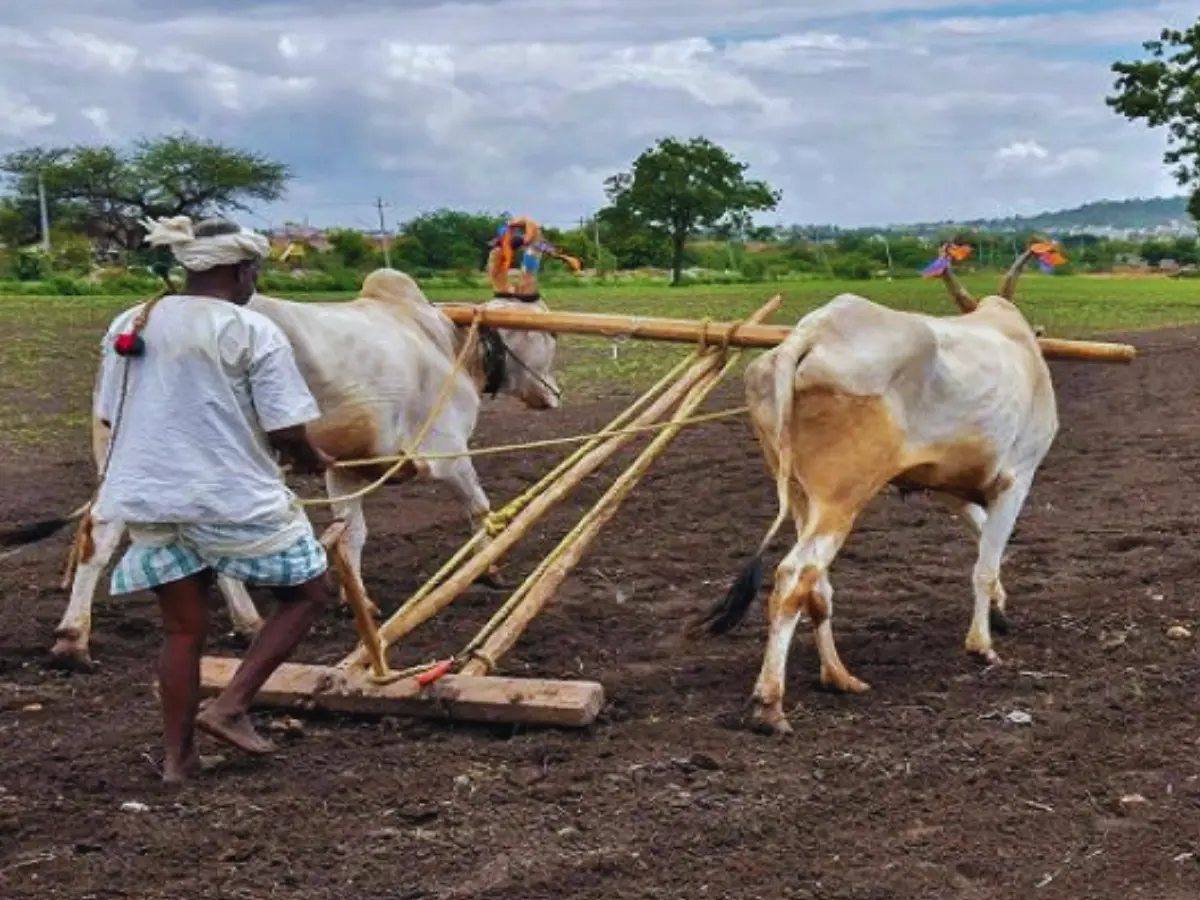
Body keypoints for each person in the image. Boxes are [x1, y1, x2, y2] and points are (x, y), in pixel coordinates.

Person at [92, 214, 333, 783]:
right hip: (229, 497)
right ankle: (230, 706)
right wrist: (310, 459)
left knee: (183, 630)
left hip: (148, 495)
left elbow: (109, 409)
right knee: (307, 593)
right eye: (254, 271)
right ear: (242, 269)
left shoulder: (133, 320)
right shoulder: (249, 330)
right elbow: (286, 428)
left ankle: (178, 762)